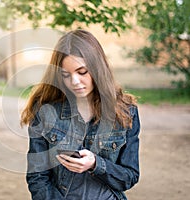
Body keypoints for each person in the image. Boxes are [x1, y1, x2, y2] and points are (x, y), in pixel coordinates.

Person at [21, 29, 140, 200]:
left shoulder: (127, 112)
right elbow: (37, 177)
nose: (74, 81)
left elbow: (129, 176)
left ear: (97, 68)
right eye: (66, 75)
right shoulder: (45, 111)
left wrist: (95, 164)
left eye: (82, 72)